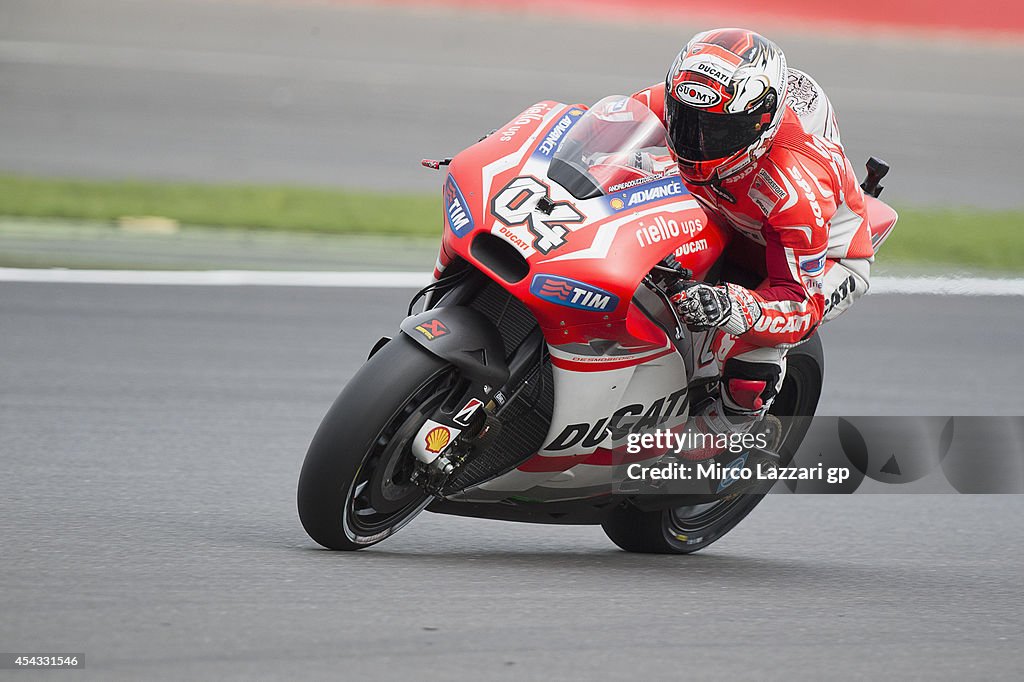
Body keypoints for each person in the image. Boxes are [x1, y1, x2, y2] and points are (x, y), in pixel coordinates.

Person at [629, 28, 874, 453]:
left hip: (820, 260)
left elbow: (801, 304)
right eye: (688, 121)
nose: (697, 139)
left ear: (760, 125)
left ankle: (723, 435)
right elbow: (593, 135)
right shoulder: (663, 103)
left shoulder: (793, 189)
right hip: (727, 215)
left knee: (752, 351)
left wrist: (735, 306)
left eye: (716, 130)